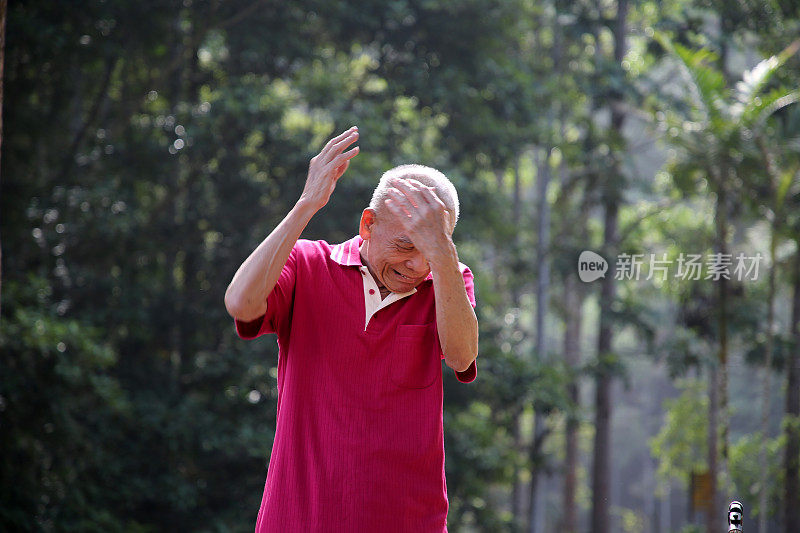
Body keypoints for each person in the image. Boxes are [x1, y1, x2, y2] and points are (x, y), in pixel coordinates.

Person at [224, 126, 479, 532]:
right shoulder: (307, 265)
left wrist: (443, 257)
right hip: (298, 518)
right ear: (368, 225)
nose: (417, 266)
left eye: (430, 249)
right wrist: (307, 205)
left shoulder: (448, 281)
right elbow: (240, 302)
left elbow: (464, 355)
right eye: (405, 246)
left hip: (408, 521)